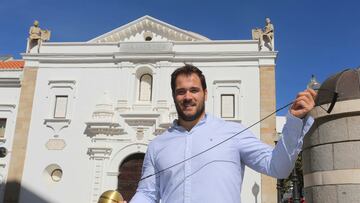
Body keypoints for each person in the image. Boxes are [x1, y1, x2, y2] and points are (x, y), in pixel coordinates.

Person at [130, 64, 316, 203]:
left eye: (194, 90)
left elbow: (277, 167)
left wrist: (294, 122)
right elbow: (147, 193)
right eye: (181, 92)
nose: (188, 97)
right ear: (174, 96)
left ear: (205, 93)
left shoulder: (233, 132)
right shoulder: (157, 145)